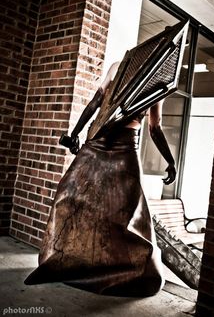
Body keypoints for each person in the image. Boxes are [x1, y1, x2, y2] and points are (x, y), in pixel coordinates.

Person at [24, 61, 176, 297]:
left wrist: (170, 160)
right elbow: (98, 101)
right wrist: (74, 134)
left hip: (124, 148)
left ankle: (127, 268)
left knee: (129, 211)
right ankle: (65, 260)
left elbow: (154, 127)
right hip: (98, 141)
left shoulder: (155, 81)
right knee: (68, 193)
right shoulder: (121, 66)